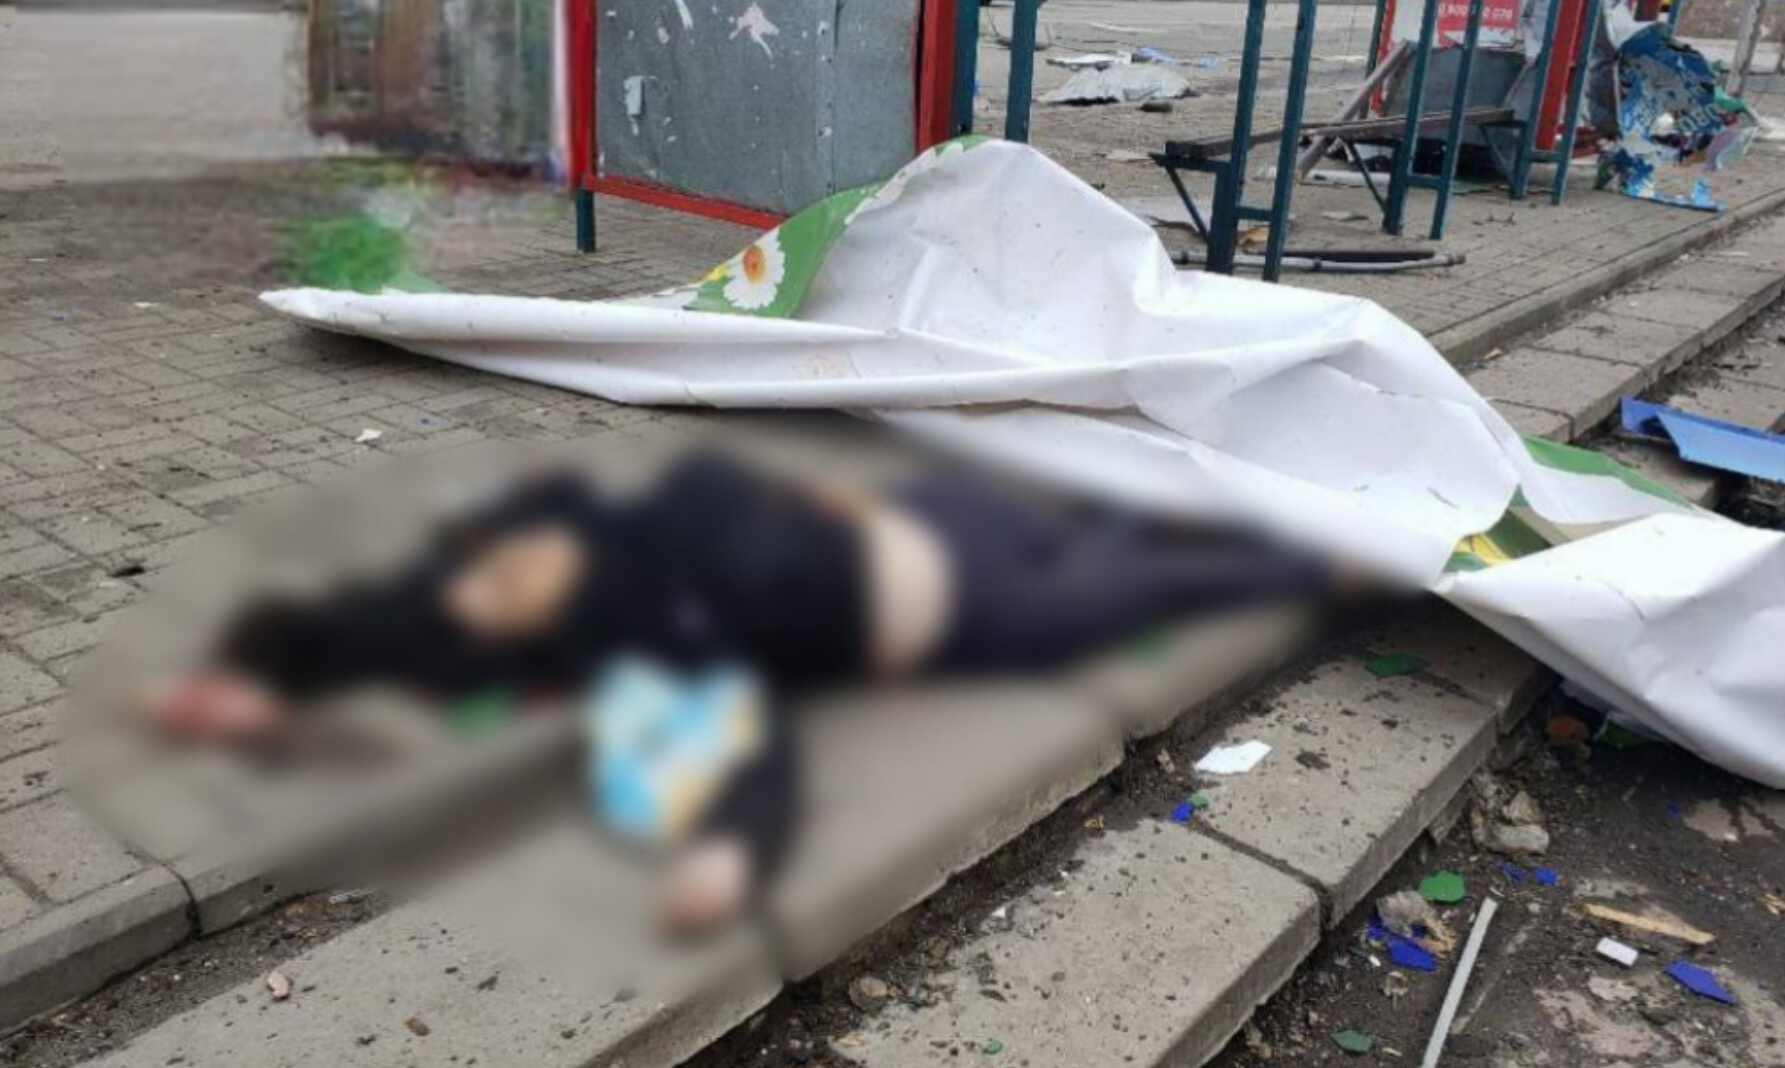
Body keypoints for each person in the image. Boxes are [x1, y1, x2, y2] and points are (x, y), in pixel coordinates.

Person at [144, 451, 1332, 933]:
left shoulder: (640, 568)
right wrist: (248, 681)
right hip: (955, 602)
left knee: (1125, 570)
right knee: (1119, 580)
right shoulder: (587, 622)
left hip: (950, 551)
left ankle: (1303, 541)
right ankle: (1289, 541)